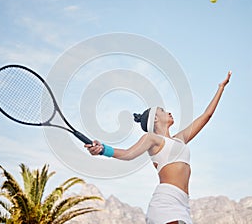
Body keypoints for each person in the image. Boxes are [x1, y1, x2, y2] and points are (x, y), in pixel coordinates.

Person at [85, 71, 232, 224]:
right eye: (163, 110)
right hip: (166, 202)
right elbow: (128, 154)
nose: (168, 112)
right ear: (155, 118)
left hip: (183, 205)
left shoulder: (180, 139)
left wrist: (221, 88)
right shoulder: (153, 139)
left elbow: (206, 116)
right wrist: (103, 150)